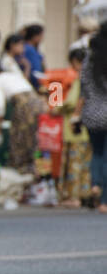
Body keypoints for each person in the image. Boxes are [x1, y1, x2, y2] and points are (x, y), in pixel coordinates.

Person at [0, 61, 40, 175]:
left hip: (23, 104)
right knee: (31, 136)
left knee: (18, 136)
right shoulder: (12, 75)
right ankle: (31, 168)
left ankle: (19, 169)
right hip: (36, 101)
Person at [58, 48, 92, 208]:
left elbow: (71, 102)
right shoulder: (95, 78)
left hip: (75, 131)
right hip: (90, 129)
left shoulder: (80, 79)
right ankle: (86, 194)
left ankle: (74, 197)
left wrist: (55, 107)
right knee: (86, 165)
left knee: (74, 166)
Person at [80, 28, 107, 213]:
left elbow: (82, 87)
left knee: (96, 152)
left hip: (91, 112)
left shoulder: (88, 61)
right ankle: (105, 200)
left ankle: (95, 183)